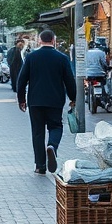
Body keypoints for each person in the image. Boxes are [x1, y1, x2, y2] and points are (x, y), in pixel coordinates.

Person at [16, 29, 75, 175]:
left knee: (37, 132)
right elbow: (69, 80)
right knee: (56, 126)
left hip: (35, 101)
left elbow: (21, 79)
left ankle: (40, 166)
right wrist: (73, 98)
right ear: (54, 40)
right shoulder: (62, 58)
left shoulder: (31, 57)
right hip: (55, 100)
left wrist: (21, 99)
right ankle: (52, 146)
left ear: (40, 41)